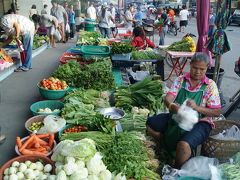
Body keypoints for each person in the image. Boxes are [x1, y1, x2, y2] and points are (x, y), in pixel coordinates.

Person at [146, 52, 221, 168]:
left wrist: (197, 108)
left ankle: (176, 168)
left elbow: (216, 112)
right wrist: (173, 107)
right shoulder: (181, 80)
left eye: (202, 69)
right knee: (150, 123)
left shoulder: (210, 86)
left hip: (202, 122)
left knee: (184, 145)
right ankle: (163, 142)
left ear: (207, 68)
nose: (198, 72)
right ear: (190, 65)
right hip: (179, 116)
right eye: (195, 68)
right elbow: (168, 99)